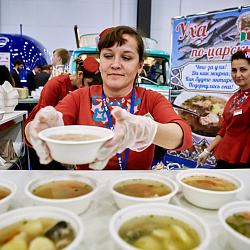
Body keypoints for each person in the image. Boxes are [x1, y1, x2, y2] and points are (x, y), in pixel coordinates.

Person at [25, 26, 192, 171]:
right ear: (100, 62)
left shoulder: (151, 98)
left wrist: (149, 130)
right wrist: (39, 128)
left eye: (126, 57)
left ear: (140, 66)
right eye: (108, 56)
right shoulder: (79, 97)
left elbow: (183, 137)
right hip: (88, 188)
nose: (115, 64)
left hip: (136, 189)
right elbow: (32, 131)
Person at [23, 57, 102, 170]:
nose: (89, 89)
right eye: (88, 84)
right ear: (79, 74)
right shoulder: (55, 84)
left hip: (65, 140)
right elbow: (44, 118)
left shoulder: (84, 92)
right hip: (43, 138)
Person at [197, 49, 250, 169]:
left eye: (243, 70)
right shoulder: (235, 96)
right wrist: (207, 151)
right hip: (226, 154)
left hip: (244, 158)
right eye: (234, 70)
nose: (237, 75)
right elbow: (225, 128)